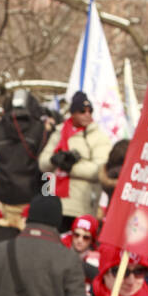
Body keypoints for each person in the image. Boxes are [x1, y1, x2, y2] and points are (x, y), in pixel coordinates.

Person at [38, 91, 112, 229]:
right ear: (73, 113)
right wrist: (54, 160)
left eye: (90, 111)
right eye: (82, 111)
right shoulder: (59, 132)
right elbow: (42, 163)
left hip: (82, 205)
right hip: (56, 202)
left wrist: (71, 167)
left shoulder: (98, 137)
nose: (87, 114)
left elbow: (100, 170)